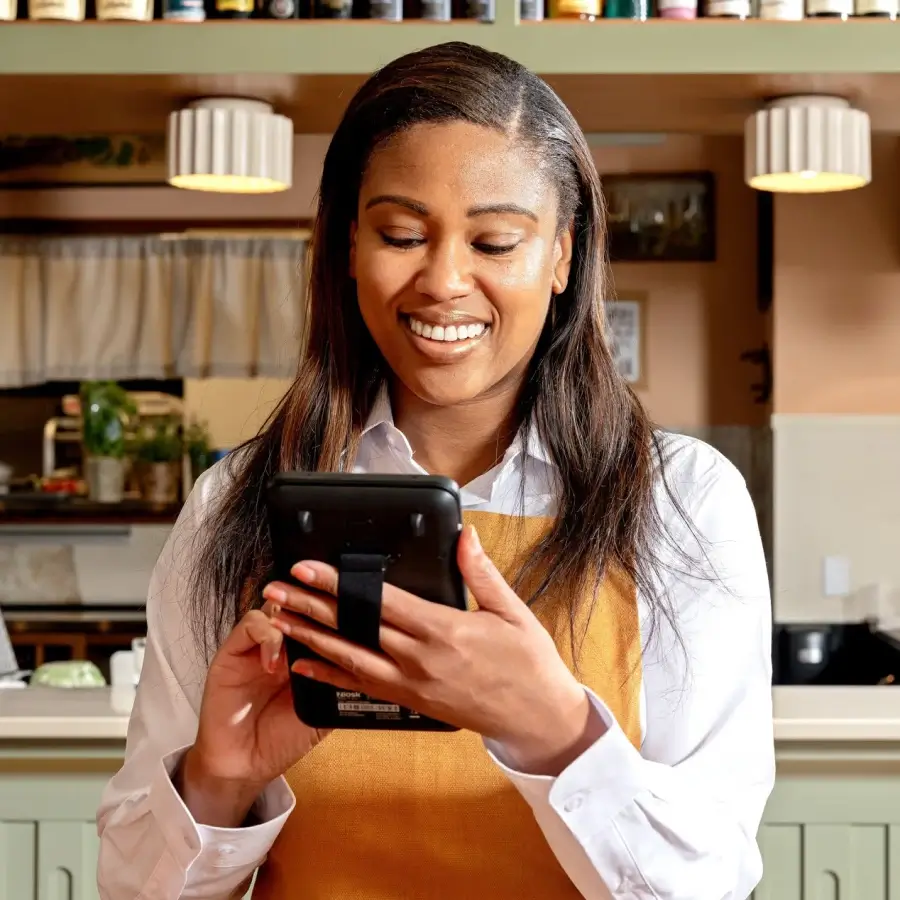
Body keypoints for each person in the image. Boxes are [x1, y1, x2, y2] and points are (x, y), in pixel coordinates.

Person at [96, 40, 774, 900]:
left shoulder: (682, 501)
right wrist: (218, 784)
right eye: (403, 234)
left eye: (495, 241)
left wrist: (557, 732)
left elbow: (709, 884)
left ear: (564, 257)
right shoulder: (232, 505)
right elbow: (131, 888)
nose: (444, 281)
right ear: (349, 246)